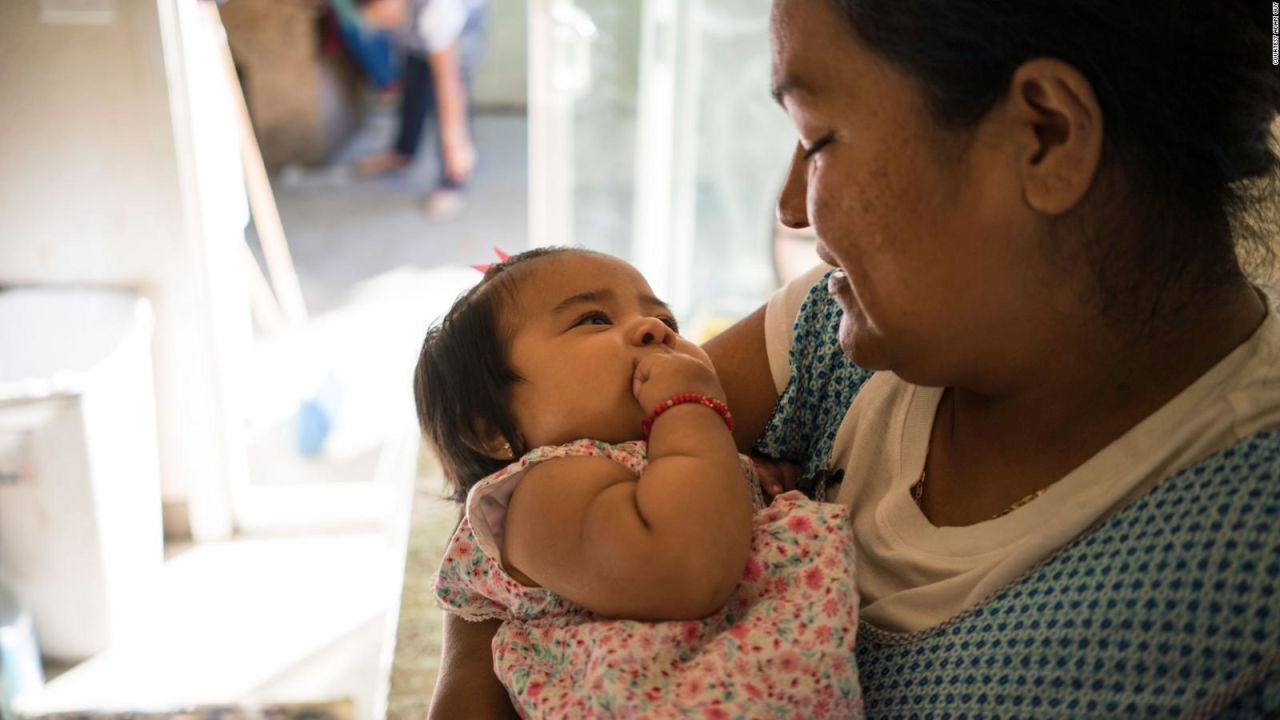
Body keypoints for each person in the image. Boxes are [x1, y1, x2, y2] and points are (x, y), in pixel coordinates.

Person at [427, 0, 1280, 716]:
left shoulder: (1232, 572)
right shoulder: (836, 331)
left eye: (819, 136)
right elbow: (508, 535)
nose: (791, 206)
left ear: (1045, 135)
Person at [414, 247, 864, 718]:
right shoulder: (539, 496)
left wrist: (742, 475)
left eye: (663, 317)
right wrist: (691, 412)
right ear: (489, 428)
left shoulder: (666, 458)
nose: (658, 330)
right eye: (593, 319)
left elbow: (697, 504)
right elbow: (686, 568)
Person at [352, 0, 486, 218]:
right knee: (414, 77)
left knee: (451, 93)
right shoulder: (396, 11)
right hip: (416, 19)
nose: (380, 24)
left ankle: (453, 178)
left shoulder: (438, 12)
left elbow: (448, 77)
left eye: (382, 15)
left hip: (457, 24)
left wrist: (455, 139)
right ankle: (402, 154)